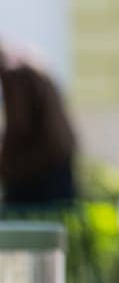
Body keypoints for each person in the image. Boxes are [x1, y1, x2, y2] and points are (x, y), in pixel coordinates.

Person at [0, 37, 79, 207]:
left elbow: (19, 125)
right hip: (58, 158)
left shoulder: (13, 75)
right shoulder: (28, 63)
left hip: (40, 169)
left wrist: (6, 163)